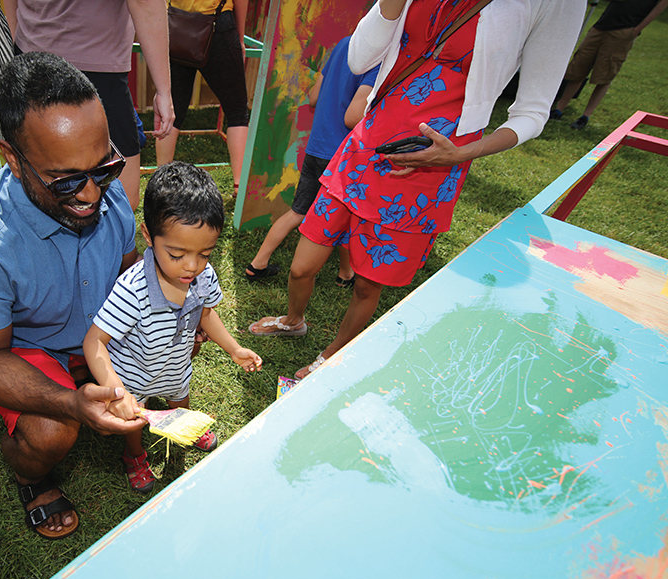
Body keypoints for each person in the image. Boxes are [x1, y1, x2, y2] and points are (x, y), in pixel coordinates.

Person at [248, 0, 581, 380]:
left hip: (429, 168)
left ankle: (334, 353)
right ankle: (294, 320)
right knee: (301, 265)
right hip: (364, 147)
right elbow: (359, 59)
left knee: (367, 284)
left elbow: (533, 113)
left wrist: (461, 154)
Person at [0, 52, 146, 540]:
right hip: (29, 351)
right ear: (13, 158)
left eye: (105, 167)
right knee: (52, 432)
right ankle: (32, 477)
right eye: (67, 180)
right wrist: (69, 404)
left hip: (99, 337)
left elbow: (129, 270)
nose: (93, 195)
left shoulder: (109, 197)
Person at [83, 162, 263, 493]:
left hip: (175, 366)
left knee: (180, 399)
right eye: (177, 254)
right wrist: (115, 390)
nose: (192, 266)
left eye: (205, 254)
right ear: (149, 235)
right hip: (133, 375)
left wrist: (235, 349)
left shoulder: (202, 277)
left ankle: (186, 429)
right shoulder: (132, 289)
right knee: (134, 421)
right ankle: (134, 456)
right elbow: (94, 341)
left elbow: (206, 314)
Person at [4, 0, 175, 210]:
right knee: (119, 202)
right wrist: (163, 90)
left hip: (30, 56)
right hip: (96, 65)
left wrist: (15, 54)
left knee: (40, 183)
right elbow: (145, 4)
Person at [245, 35, 380, 286]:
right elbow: (353, 118)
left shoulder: (344, 44)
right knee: (348, 215)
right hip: (343, 156)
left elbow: (313, 97)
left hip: (317, 148)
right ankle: (345, 273)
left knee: (298, 211)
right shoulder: (379, 59)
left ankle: (258, 263)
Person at [154, 0, 250, 193]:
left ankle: (160, 183)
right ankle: (240, 187)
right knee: (237, 111)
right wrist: (239, 37)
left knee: (171, 109)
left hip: (174, 22)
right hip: (219, 26)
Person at [551, 0, 668, 130]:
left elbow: (662, 5)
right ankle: (559, 109)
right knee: (578, 68)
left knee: (605, 75)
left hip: (625, 30)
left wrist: (636, 30)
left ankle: (585, 116)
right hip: (601, 25)